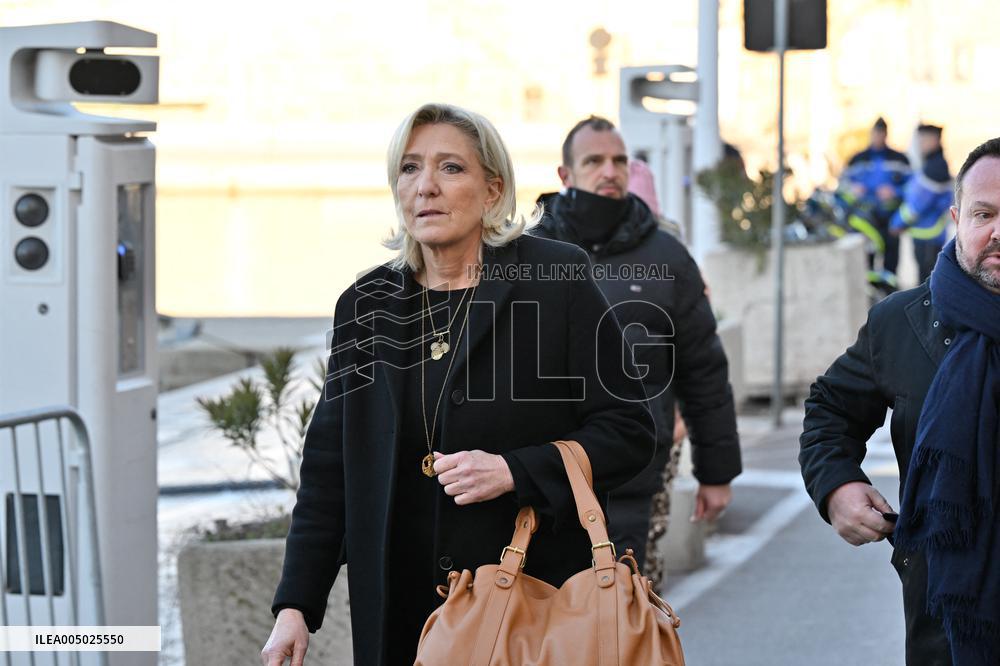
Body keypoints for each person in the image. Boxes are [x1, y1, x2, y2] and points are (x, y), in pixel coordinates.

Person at [260, 103, 655, 666]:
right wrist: (295, 606)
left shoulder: (556, 281)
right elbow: (330, 470)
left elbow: (630, 432)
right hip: (401, 616)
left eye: (450, 169)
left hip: (530, 612)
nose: (426, 188)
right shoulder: (365, 306)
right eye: (410, 168)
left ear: (492, 190)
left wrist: (514, 471)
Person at [800, 137, 1000, 665]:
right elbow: (830, 410)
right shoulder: (902, 322)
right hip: (945, 621)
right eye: (985, 213)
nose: (998, 231)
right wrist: (837, 486)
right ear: (957, 218)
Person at [529, 115, 741, 580]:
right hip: (540, 479)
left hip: (633, 475)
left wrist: (716, 470)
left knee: (620, 628)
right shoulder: (526, 254)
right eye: (594, 161)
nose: (610, 171)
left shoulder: (666, 257)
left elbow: (702, 369)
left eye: (619, 160)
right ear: (565, 176)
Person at [840, 117, 911, 280]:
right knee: (867, 259)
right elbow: (842, 185)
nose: (878, 137)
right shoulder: (857, 159)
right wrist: (853, 189)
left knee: (891, 259)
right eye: (876, 133)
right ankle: (870, 296)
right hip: (865, 219)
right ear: (871, 134)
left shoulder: (899, 159)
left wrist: (895, 191)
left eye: (882, 133)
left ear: (886, 135)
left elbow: (912, 187)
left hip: (891, 218)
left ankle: (890, 295)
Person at [891, 124, 953, 283]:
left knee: (926, 283)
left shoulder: (935, 167)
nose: (920, 144)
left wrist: (897, 223)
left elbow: (917, 203)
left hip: (928, 236)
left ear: (935, 140)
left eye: (924, 140)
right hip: (925, 235)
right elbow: (914, 191)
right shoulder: (931, 164)